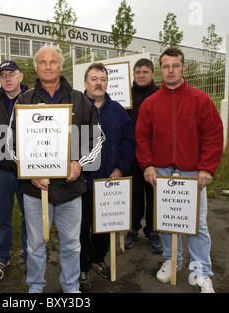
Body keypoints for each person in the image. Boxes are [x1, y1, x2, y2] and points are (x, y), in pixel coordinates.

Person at [7, 45, 104, 293]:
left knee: (72, 243)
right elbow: (10, 143)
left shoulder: (80, 101)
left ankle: (71, 287)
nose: (48, 66)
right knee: (35, 245)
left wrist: (78, 163)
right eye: (42, 62)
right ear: (36, 67)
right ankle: (36, 287)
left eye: (52, 62)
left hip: (70, 190)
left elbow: (97, 139)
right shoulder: (24, 100)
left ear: (61, 66)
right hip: (34, 189)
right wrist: (31, 170)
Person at [135, 47, 223, 293]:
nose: (170, 70)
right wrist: (148, 164)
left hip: (192, 174)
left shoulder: (201, 99)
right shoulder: (150, 103)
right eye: (166, 66)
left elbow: (213, 135)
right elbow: (142, 137)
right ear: (160, 70)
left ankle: (201, 272)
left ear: (184, 67)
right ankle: (172, 260)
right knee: (166, 220)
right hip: (162, 172)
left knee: (197, 224)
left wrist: (206, 168)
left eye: (175, 65)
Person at [79, 62, 135, 291]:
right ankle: (81, 267)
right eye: (94, 78)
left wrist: (120, 168)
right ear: (85, 83)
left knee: (104, 226)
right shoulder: (75, 107)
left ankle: (97, 258)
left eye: (102, 78)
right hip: (81, 183)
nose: (98, 83)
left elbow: (128, 142)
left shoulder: (118, 110)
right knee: (81, 228)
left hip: (109, 181)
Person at [0, 60, 28, 281]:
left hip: (29, 171)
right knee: (2, 217)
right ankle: (2, 256)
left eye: (12, 74)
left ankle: (31, 256)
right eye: (3, 75)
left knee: (29, 215)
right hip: (2, 172)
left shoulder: (34, 99)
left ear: (21, 76)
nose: (7, 78)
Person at [125, 58, 162, 253]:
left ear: (153, 74)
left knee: (154, 194)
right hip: (132, 154)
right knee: (134, 194)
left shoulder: (158, 95)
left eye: (145, 72)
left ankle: (153, 231)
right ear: (133, 74)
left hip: (154, 156)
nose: (141, 75)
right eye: (138, 71)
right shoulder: (125, 95)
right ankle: (132, 228)